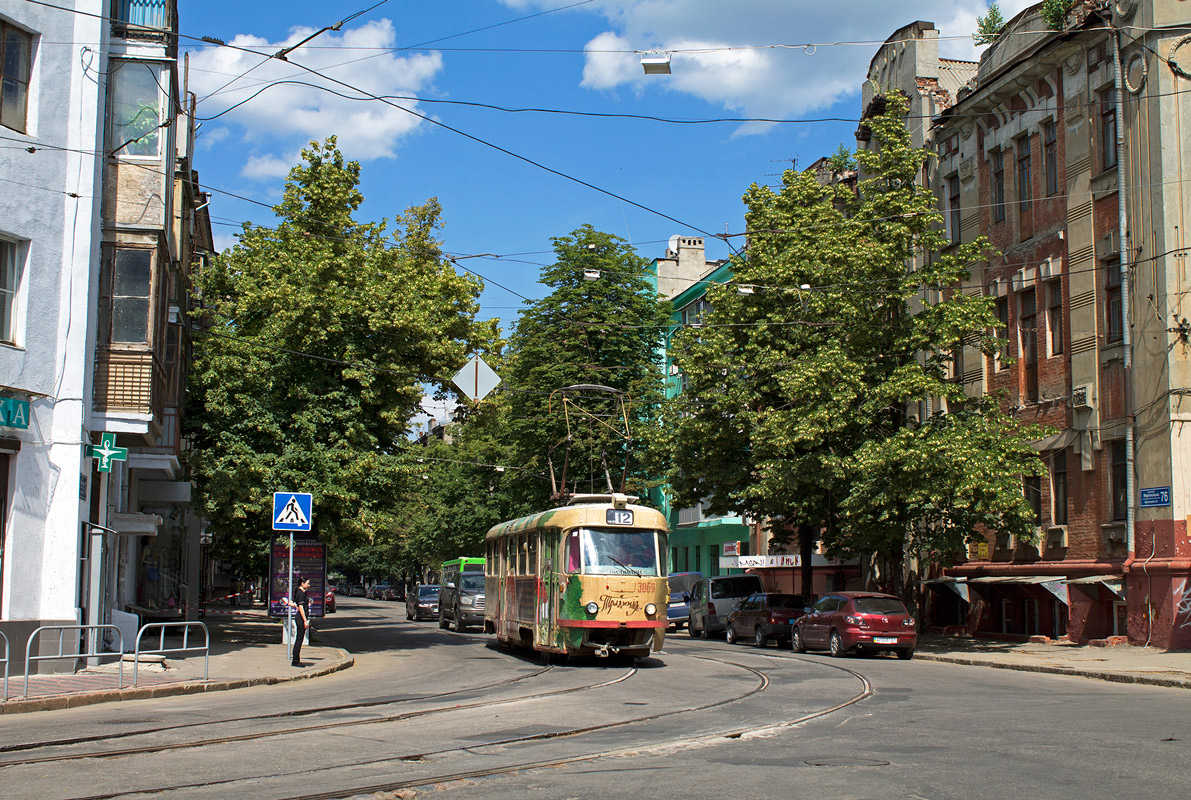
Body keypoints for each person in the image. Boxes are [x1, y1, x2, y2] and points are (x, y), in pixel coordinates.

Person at [285, 578, 312, 667]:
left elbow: (295, 604)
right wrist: (305, 621)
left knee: (299, 639)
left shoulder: (301, 592)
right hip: (301, 619)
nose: (309, 585)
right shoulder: (301, 593)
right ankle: (295, 661)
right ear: (302, 583)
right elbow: (301, 607)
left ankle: (296, 660)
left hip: (300, 618)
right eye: (307, 583)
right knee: (299, 639)